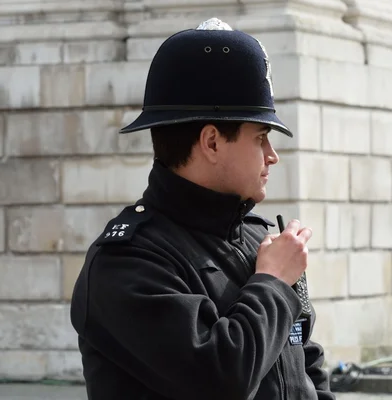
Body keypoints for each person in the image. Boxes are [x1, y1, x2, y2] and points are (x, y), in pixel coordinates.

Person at [70, 17, 335, 400]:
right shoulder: (126, 262)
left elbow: (306, 366)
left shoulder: (259, 239)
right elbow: (220, 380)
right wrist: (274, 282)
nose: (272, 156)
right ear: (211, 142)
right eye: (260, 137)